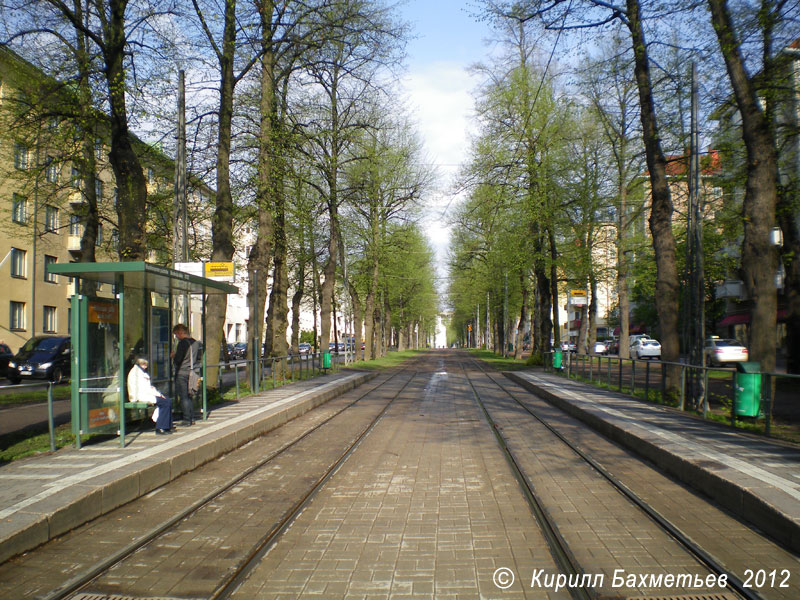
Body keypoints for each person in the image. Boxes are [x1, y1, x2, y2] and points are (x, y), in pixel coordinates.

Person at [127, 357, 173, 434]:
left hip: (145, 394)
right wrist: (159, 395)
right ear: (140, 363)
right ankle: (160, 427)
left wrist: (159, 394)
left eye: (146, 365)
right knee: (165, 403)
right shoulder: (137, 373)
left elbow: (149, 387)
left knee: (168, 400)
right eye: (144, 364)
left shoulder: (140, 372)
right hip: (141, 395)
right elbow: (146, 388)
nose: (146, 366)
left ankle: (167, 426)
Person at [171, 324, 197, 426]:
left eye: (176, 334)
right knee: (189, 396)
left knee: (183, 396)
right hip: (191, 371)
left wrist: (173, 356)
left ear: (181, 332)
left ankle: (186, 419)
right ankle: (192, 417)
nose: (176, 337)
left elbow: (179, 359)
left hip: (182, 372)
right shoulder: (194, 342)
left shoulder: (183, 343)